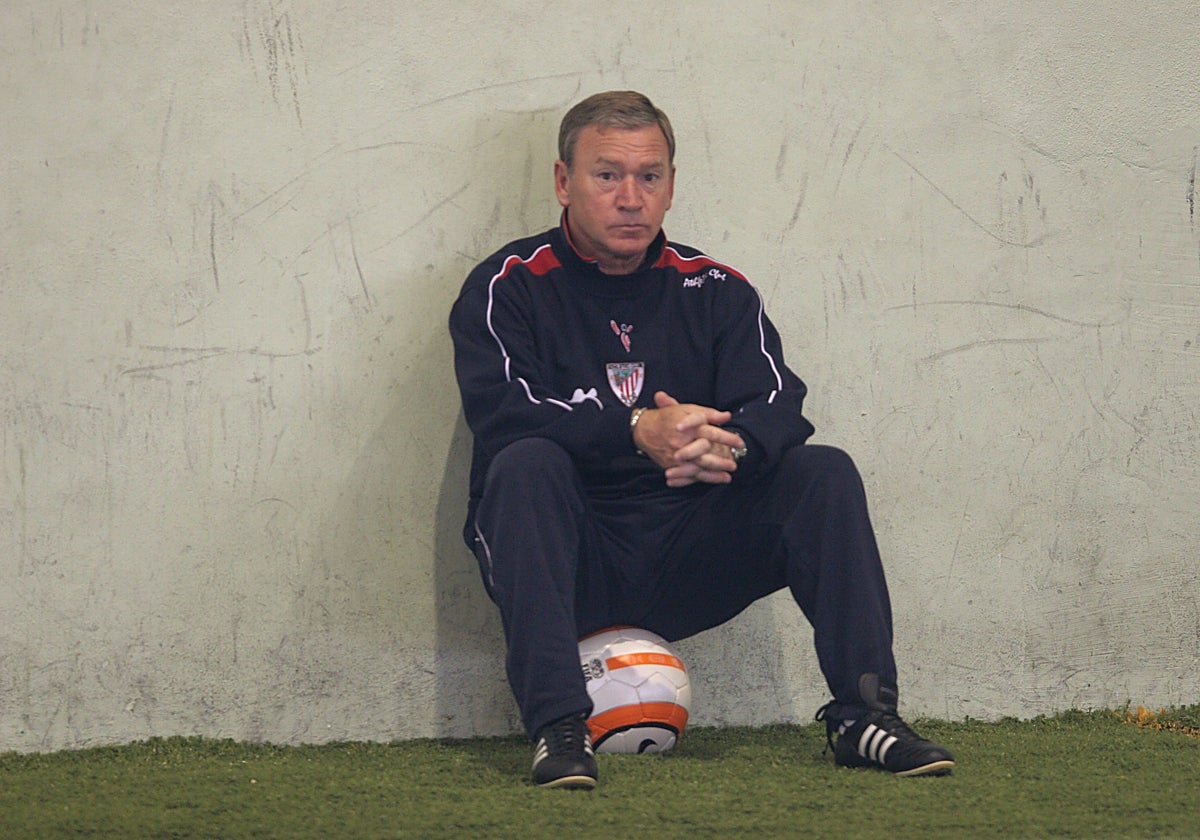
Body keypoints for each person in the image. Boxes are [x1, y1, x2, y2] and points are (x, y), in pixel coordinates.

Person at [448, 90, 955, 789]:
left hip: (686, 549)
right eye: (607, 175)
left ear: (671, 186)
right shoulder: (508, 286)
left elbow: (781, 403)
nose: (630, 197)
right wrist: (636, 430)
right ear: (564, 182)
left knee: (823, 472)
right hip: (570, 556)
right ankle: (559, 728)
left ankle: (866, 718)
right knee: (525, 463)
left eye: (649, 176)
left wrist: (729, 444)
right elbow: (505, 411)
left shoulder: (716, 288)